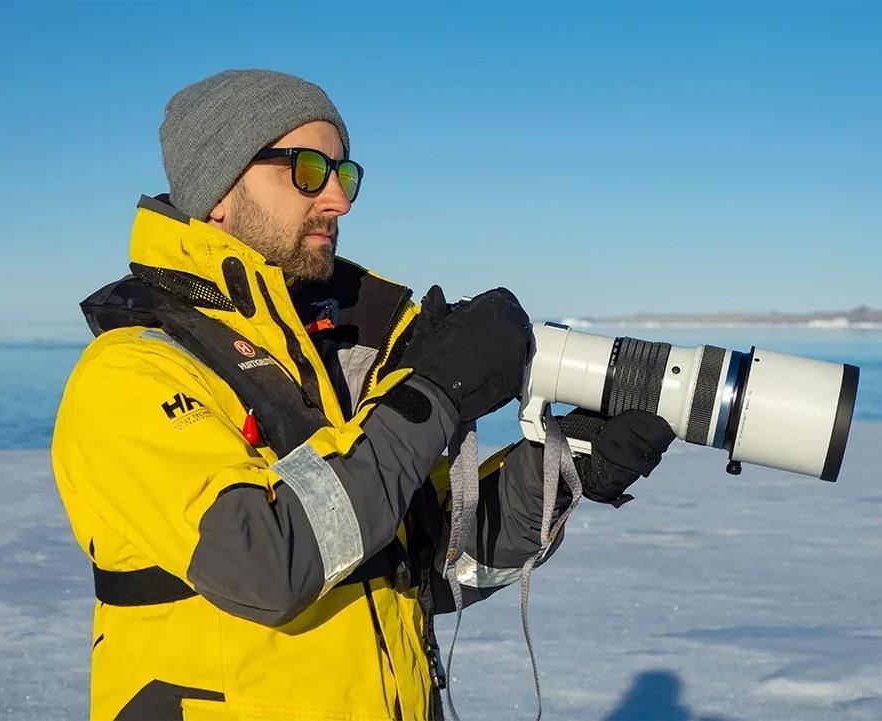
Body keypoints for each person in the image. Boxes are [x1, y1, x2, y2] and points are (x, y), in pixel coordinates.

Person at [51, 69, 674, 721]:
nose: (338, 200)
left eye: (344, 175)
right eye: (308, 170)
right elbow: (267, 562)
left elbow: (433, 562)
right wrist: (431, 392)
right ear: (217, 191)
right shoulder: (131, 374)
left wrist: (561, 467)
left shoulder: (334, 365)